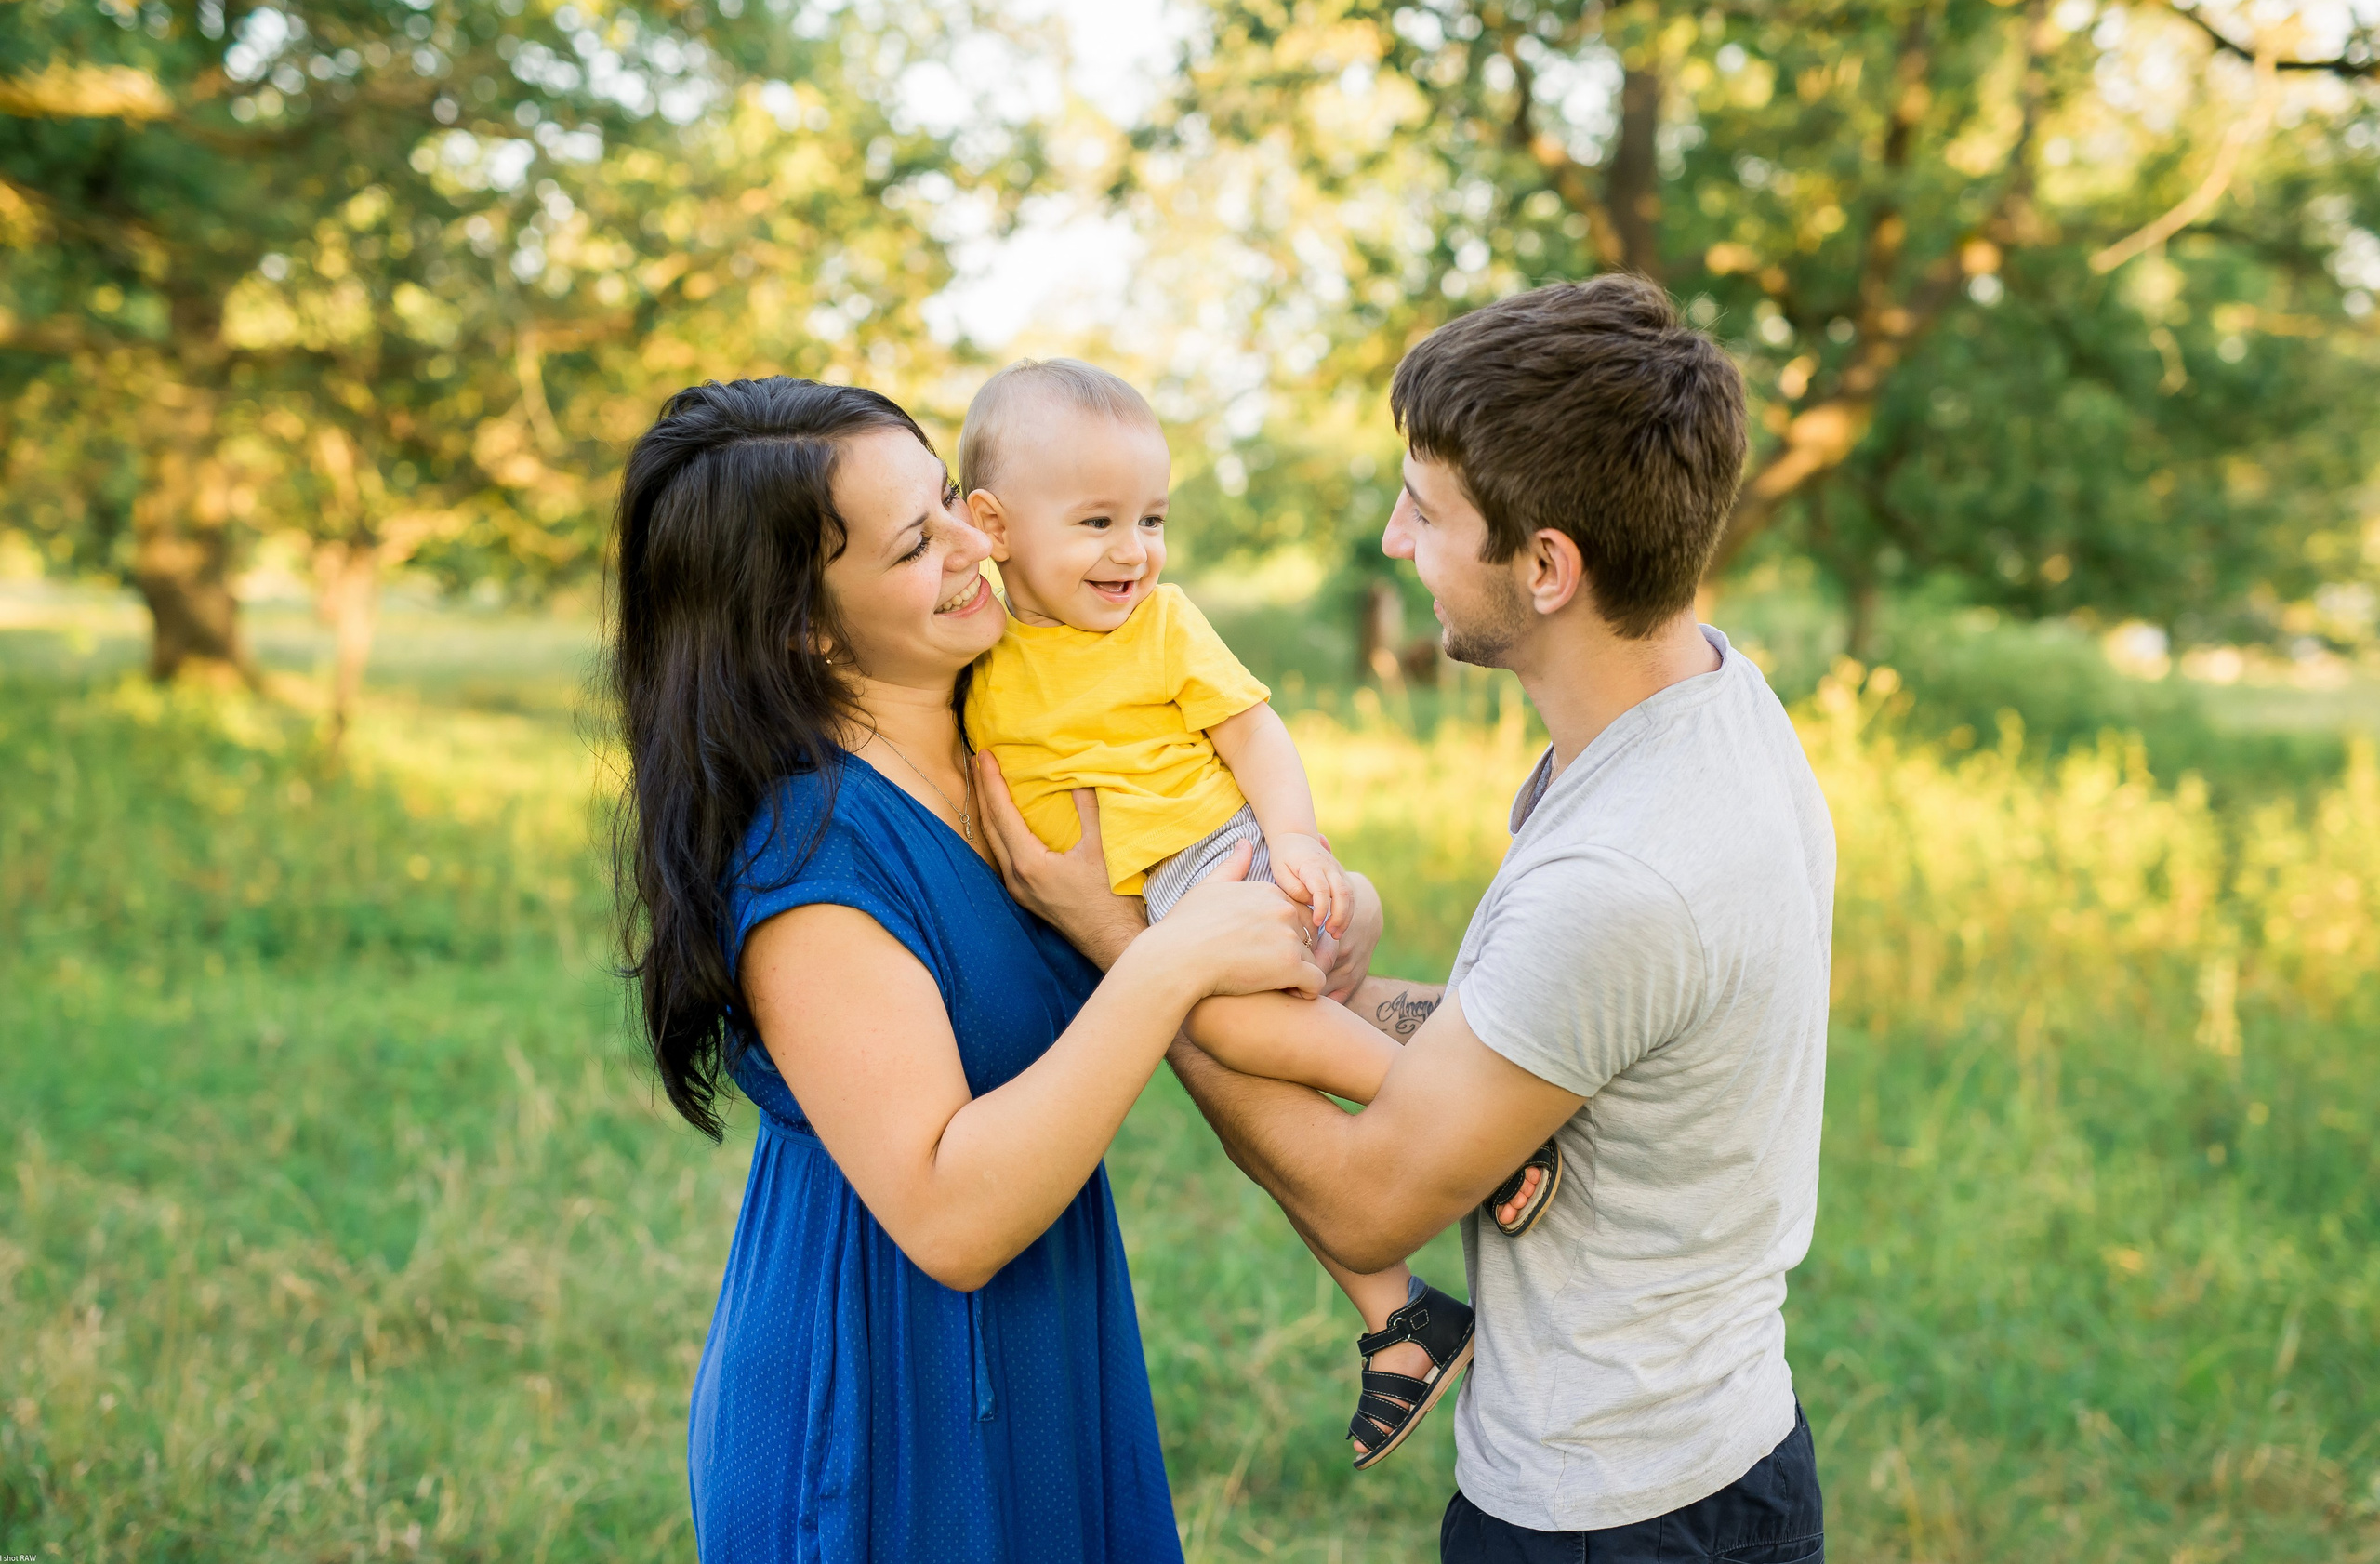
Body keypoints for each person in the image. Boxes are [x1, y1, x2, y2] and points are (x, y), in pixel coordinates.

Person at [975, 276, 1834, 1563]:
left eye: (1425, 513)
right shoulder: (1709, 706)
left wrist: (1124, 943)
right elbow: (1533, 1034)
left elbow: (1370, 1206)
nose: (1390, 540)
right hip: (1716, 1448)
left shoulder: (1624, 872)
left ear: (1547, 566)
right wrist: (1303, 980)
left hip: (1611, 1513)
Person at [607, 377, 1342, 1563]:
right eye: (916, 542)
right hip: (886, 1390)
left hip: (1043, 1333)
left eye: (950, 499)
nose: (973, 541)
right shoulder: (816, 858)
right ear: (804, 621)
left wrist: (1302, 909)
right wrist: (1162, 965)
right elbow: (948, 1215)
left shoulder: (1015, 741)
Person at [958, 356, 1556, 1468]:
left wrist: (1295, 843)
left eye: (1150, 517)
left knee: (1222, 1031)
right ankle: (1401, 1318)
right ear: (990, 523)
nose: (1131, 548)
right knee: (1250, 1089)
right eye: (1096, 520)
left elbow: (1253, 735)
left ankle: (1472, 1127)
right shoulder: (979, 653)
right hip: (1157, 906)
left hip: (1220, 866)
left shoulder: (1160, 626)